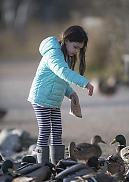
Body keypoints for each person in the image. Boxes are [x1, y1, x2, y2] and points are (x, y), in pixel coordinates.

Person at [28, 25, 94, 165]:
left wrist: (71, 93)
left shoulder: (67, 55)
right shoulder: (53, 54)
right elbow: (63, 73)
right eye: (75, 47)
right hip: (40, 98)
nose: (77, 51)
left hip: (53, 100)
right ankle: (42, 165)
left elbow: (61, 81)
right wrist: (85, 83)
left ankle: (57, 164)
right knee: (45, 129)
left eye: (79, 49)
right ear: (67, 40)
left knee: (57, 131)